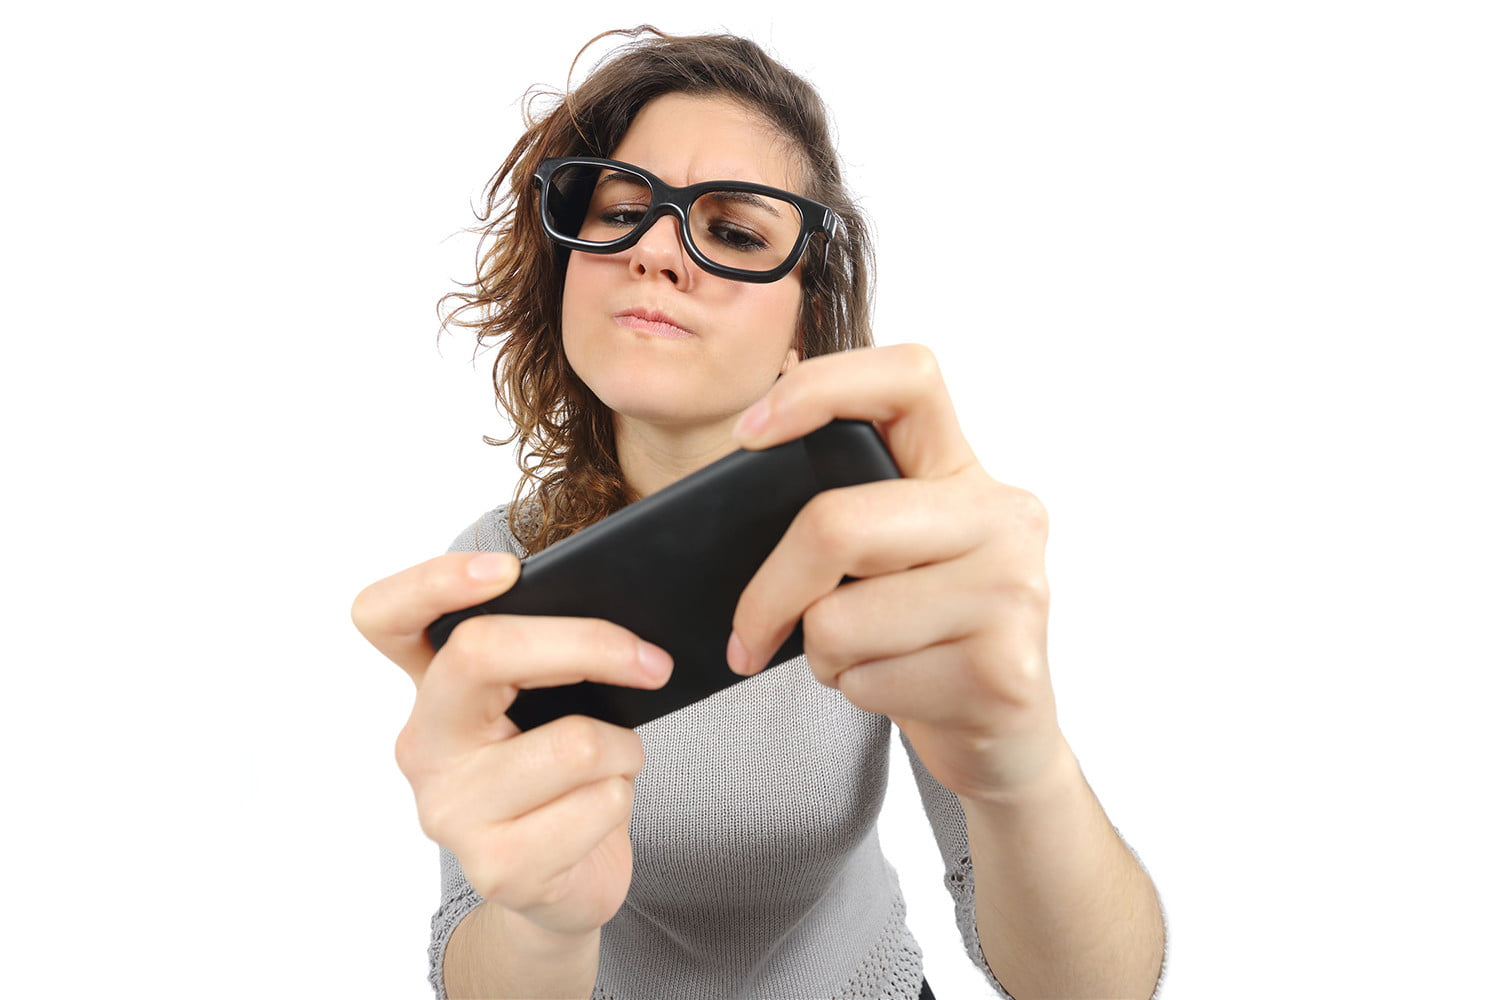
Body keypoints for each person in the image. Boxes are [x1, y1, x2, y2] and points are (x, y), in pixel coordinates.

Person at [352, 27, 1167, 1000]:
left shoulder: (892, 543)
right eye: (621, 212)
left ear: (804, 324)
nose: (655, 250)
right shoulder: (495, 567)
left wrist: (1024, 773)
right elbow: (472, 947)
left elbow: (1094, 987)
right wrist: (542, 918)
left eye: (735, 233)